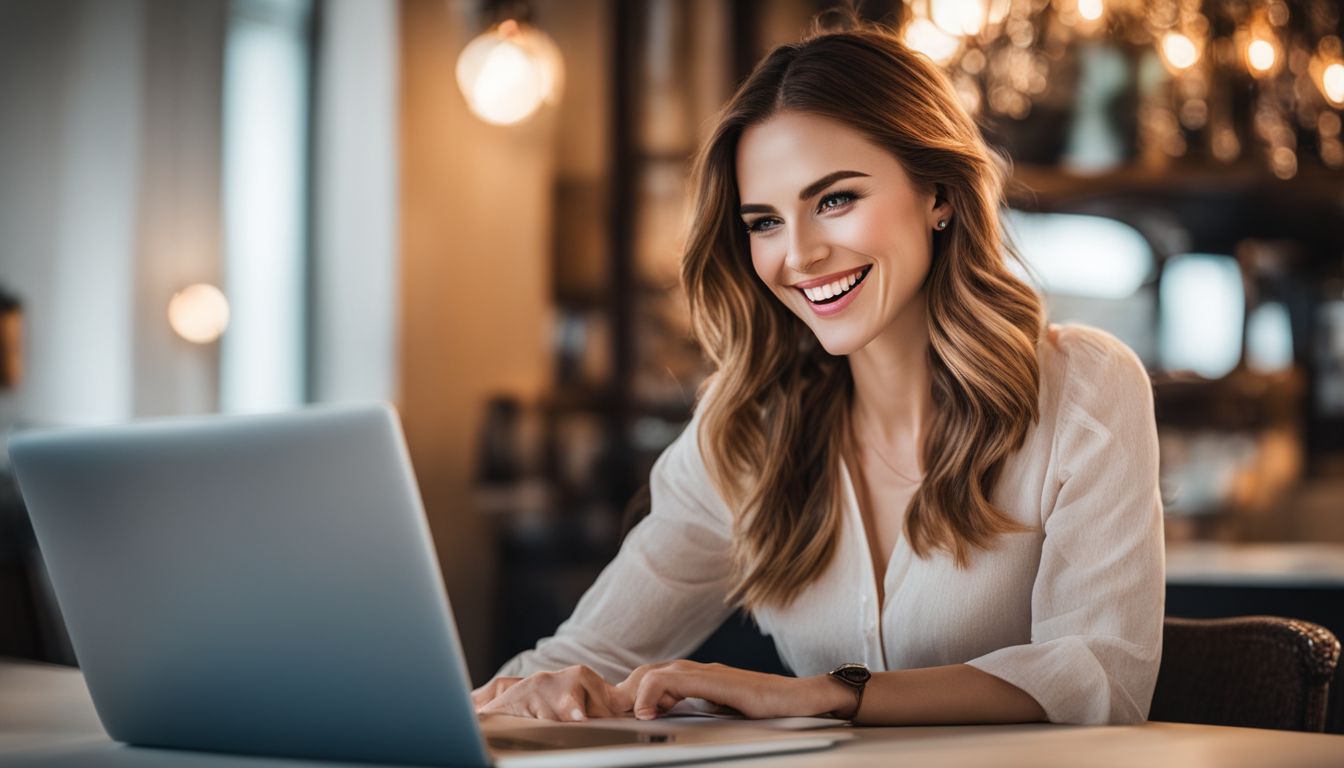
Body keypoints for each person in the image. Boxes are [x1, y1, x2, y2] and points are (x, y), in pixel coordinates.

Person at [472, 19, 1163, 726]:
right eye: (764, 221)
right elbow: (584, 655)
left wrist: (830, 692)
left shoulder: (1084, 385)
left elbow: (1101, 676)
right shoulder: (745, 428)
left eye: (835, 200)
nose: (798, 255)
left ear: (939, 194)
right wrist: (506, 702)